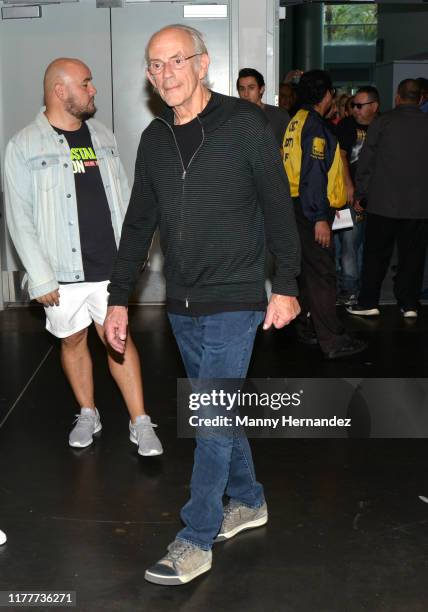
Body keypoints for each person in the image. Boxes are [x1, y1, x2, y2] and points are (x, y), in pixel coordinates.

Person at [104, 24, 300, 585]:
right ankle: (250, 499)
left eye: (175, 62)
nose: (165, 74)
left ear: (201, 63)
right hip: (180, 301)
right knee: (213, 410)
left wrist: (285, 285)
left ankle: (196, 537)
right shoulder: (155, 137)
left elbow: (277, 207)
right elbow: (139, 222)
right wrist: (120, 300)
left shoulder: (245, 125)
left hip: (235, 296)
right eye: (154, 66)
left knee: (210, 415)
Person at [4, 58, 162, 456]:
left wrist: (133, 253)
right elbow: (19, 217)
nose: (93, 90)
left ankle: (140, 420)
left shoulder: (103, 135)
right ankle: (88, 411)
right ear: (61, 91)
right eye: (86, 84)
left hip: (110, 268)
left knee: (118, 341)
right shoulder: (24, 145)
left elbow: (125, 198)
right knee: (73, 342)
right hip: (61, 273)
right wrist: (39, 276)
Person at [282, 69, 367, 359]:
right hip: (311, 208)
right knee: (322, 275)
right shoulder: (315, 126)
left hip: (297, 206)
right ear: (328, 94)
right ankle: (332, 339)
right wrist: (319, 217)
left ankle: (308, 329)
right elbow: (314, 174)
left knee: (307, 273)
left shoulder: (296, 121)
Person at [347, 79, 428, 319]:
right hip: (419, 206)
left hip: (383, 203)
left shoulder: (382, 122)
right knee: (413, 258)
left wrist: (361, 194)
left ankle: (369, 301)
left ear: (397, 97)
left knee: (375, 256)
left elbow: (366, 163)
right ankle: (409, 304)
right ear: (421, 99)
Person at [335, 86, 380, 305]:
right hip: (349, 197)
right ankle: (349, 287)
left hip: (378, 197)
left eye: (360, 106)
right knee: (348, 242)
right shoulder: (345, 125)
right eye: (353, 105)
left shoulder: (383, 126)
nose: (355, 110)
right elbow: (341, 157)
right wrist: (349, 187)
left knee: (368, 245)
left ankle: (361, 287)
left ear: (374, 107)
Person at [236, 67, 290, 147]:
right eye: (242, 89)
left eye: (251, 88)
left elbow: (289, 149)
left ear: (261, 89)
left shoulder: (279, 115)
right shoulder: (233, 117)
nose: (246, 94)